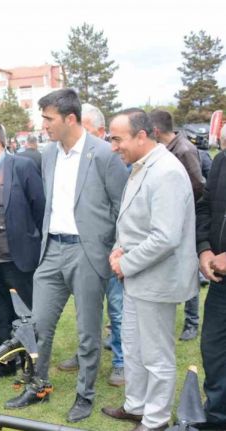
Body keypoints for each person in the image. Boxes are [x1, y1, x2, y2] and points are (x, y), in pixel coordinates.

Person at [6, 89, 128, 423]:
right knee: (38, 324)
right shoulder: (48, 154)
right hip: (52, 251)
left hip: (88, 253)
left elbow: (122, 207)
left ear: (69, 119)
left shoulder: (103, 154)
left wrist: (113, 249)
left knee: (88, 333)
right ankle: (37, 384)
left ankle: (85, 395)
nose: (42, 124)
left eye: (48, 118)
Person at [101, 108, 198, 431]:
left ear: (142, 136)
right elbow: (133, 220)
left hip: (157, 279)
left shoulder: (166, 171)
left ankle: (155, 420)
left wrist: (124, 263)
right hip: (137, 277)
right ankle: (136, 405)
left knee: (156, 355)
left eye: (117, 139)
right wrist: (119, 248)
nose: (113, 146)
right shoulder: (141, 166)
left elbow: (165, 237)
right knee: (133, 345)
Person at [58, 103, 126, 387]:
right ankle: (86, 352)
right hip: (85, 249)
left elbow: (121, 208)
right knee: (87, 308)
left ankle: (122, 361)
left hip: (111, 249)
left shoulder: (115, 160)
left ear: (100, 131)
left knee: (118, 308)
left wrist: (116, 245)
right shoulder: (73, 159)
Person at [0, 120, 45, 381]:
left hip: (18, 257)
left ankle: (31, 362)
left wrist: (33, 244)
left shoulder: (22, 166)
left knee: (24, 314)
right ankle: (4, 363)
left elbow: (40, 208)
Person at [149, 109, 204, 342]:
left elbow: (199, 185)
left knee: (188, 269)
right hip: (170, 219)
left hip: (185, 220)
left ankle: (191, 322)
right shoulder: (166, 150)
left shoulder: (184, 150)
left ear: (155, 131)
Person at [193, 125, 226, 431]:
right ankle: (216, 419)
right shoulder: (221, 161)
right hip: (220, 283)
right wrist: (204, 250)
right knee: (214, 350)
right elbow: (204, 208)